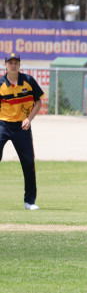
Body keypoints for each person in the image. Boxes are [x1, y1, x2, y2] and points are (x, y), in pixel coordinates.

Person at [0, 53, 44, 210]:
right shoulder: (0, 83)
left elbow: (38, 102)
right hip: (3, 125)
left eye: (16, 63)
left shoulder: (28, 81)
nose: (13, 65)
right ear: (5, 65)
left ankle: (29, 202)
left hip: (22, 127)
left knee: (29, 163)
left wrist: (29, 119)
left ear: (19, 65)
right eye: (10, 63)